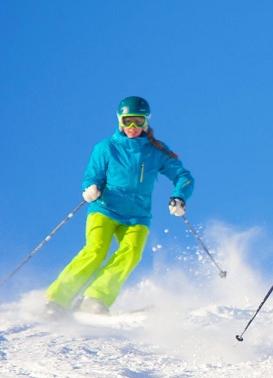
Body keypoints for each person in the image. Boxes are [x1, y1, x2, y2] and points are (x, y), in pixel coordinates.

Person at [44, 96, 194, 317]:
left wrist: (179, 197)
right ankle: (57, 299)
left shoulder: (156, 151)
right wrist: (91, 188)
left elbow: (183, 175)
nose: (132, 127)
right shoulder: (106, 148)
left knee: (131, 254)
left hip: (138, 216)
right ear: (119, 121)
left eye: (138, 121)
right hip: (105, 209)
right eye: (127, 121)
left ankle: (95, 298)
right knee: (95, 251)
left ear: (146, 122)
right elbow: (91, 176)